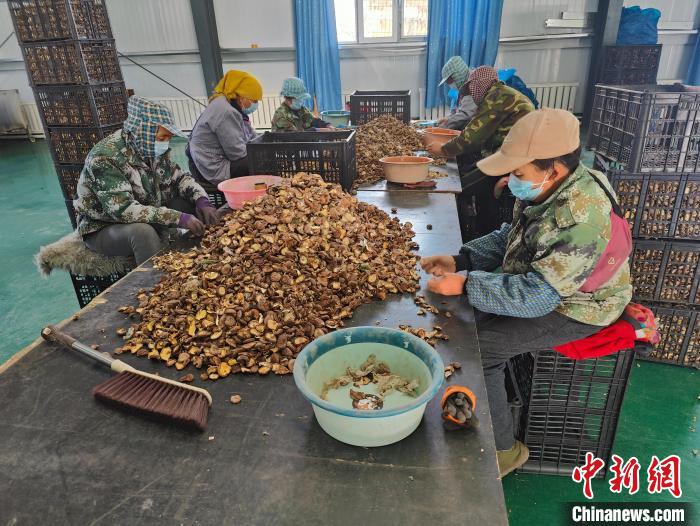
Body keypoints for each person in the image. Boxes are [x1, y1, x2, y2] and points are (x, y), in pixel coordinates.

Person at [420, 109, 633, 477]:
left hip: (578, 304)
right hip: (546, 282)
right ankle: (472, 402)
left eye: (519, 173)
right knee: (462, 321)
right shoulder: (547, 189)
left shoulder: (580, 217)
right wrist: (460, 259)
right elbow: (513, 236)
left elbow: (538, 295)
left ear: (555, 169)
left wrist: (468, 283)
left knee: (486, 347)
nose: (512, 180)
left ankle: (505, 450)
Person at [74, 96, 219, 265]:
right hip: (104, 226)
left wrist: (202, 200)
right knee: (143, 233)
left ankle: (200, 261)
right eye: (162, 137)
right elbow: (123, 210)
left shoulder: (152, 150)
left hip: (148, 209)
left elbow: (179, 179)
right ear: (142, 132)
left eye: (168, 137)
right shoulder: (105, 158)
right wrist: (176, 217)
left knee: (190, 205)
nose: (166, 142)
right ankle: (153, 280)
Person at [427, 66, 535, 240]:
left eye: (471, 88)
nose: (471, 92)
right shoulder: (498, 94)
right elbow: (477, 129)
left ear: (479, 84)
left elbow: (473, 136)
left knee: (461, 187)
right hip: (505, 153)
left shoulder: (496, 97)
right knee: (464, 175)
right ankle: (478, 227)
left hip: (513, 159)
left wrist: (443, 149)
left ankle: (472, 234)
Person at [187, 70, 261, 187]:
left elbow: (250, 135)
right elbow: (237, 153)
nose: (256, 104)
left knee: (257, 157)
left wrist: (262, 145)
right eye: (254, 100)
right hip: (212, 167)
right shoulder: (226, 111)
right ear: (241, 97)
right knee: (256, 163)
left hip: (209, 162)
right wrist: (259, 154)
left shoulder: (230, 105)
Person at [436, 56, 477, 130]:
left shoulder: (472, 85)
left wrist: (444, 126)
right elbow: (459, 111)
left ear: (457, 75)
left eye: (449, 81)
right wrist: (448, 118)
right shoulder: (463, 86)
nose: (449, 84)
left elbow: (465, 115)